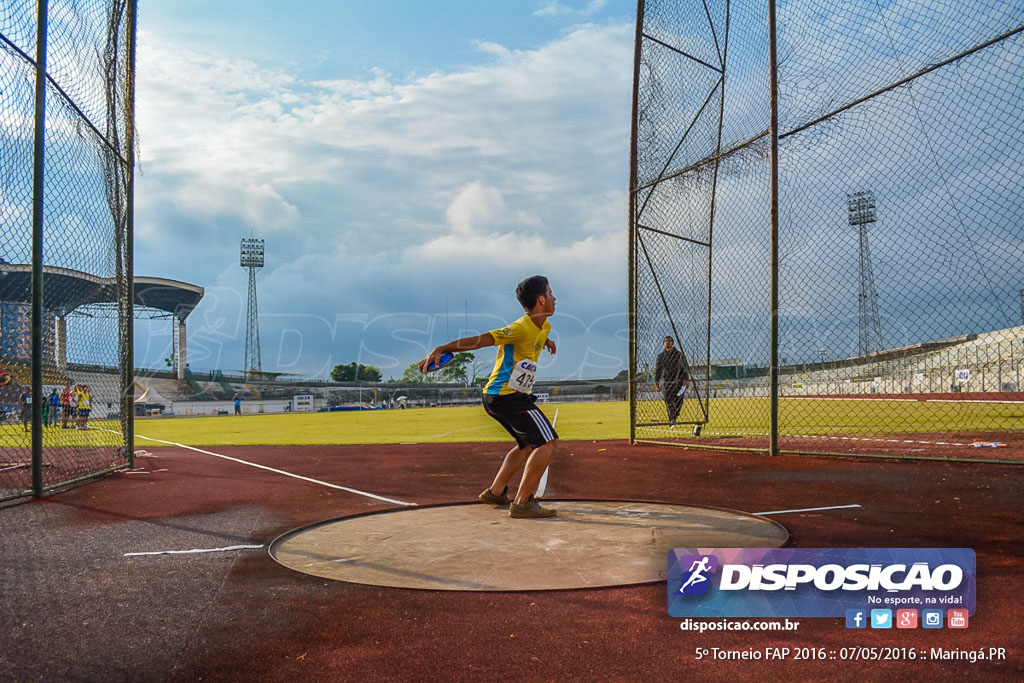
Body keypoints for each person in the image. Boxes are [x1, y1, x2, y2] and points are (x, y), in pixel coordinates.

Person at [419, 275, 559, 519]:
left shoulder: (542, 326)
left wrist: (546, 341)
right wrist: (444, 348)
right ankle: (523, 502)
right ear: (540, 300)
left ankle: (495, 492)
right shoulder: (519, 328)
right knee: (547, 443)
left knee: (526, 444)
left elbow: (536, 334)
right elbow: (482, 340)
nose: (554, 298)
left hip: (501, 397)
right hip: (507, 397)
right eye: (550, 293)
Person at [653, 335, 689, 428]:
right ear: (663, 344)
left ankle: (674, 416)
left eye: (669, 341)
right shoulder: (660, 356)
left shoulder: (679, 355)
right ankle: (673, 420)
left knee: (679, 402)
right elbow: (658, 370)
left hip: (678, 381)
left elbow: (685, 368)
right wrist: (656, 382)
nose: (667, 342)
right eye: (665, 341)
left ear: (673, 343)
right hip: (666, 382)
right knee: (668, 401)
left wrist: (686, 379)